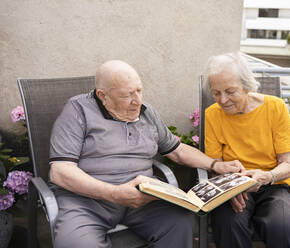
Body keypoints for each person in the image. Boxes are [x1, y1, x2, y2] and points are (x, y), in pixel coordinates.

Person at [49, 60, 245, 248]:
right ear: (103, 95)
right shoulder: (78, 110)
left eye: (139, 91)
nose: (137, 101)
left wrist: (215, 165)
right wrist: (114, 193)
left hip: (141, 200)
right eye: (127, 95)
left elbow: (177, 150)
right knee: (77, 244)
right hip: (88, 202)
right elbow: (60, 171)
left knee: (179, 222)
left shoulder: (146, 111)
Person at [203, 52, 290, 248]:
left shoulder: (275, 108)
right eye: (216, 93)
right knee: (228, 224)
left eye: (230, 91)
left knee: (284, 226)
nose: (223, 100)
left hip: (274, 185)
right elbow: (215, 165)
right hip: (233, 187)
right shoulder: (212, 115)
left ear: (247, 86)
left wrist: (266, 176)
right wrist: (230, 188)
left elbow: (288, 164)